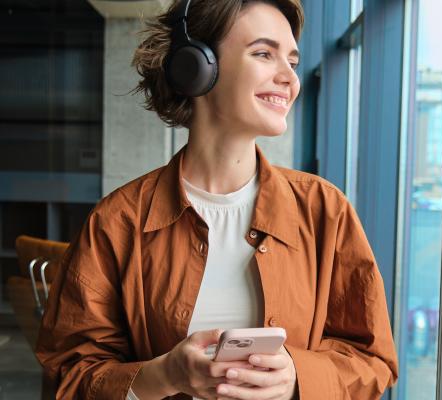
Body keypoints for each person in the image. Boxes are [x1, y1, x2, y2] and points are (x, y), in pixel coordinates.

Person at [35, 0, 398, 399]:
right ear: (197, 66)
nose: (289, 79)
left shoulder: (325, 211)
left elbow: (374, 361)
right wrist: (163, 375)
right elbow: (67, 375)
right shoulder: (117, 221)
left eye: (292, 62)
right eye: (263, 54)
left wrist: (298, 375)